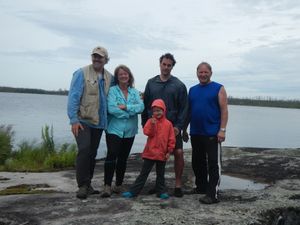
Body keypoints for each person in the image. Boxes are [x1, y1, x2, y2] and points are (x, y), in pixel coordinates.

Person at [67, 46, 114, 199]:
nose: (96, 59)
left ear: (106, 60)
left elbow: (113, 97)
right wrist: (73, 119)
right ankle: (81, 186)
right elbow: (73, 97)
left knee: (92, 153)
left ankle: (88, 184)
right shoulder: (81, 73)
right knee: (85, 149)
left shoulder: (109, 77)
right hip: (82, 121)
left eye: (100, 57)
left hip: (99, 123)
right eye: (94, 56)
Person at [141, 53, 188, 197]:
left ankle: (178, 185)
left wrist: (179, 127)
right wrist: (145, 124)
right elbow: (146, 105)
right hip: (155, 127)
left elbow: (184, 108)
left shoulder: (179, 85)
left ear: (172, 66)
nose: (166, 67)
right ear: (160, 64)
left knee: (178, 152)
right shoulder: (151, 83)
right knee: (155, 155)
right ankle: (159, 185)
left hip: (172, 127)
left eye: (169, 65)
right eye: (164, 64)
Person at [183, 62, 228, 204]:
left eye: (205, 72)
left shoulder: (218, 88)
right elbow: (190, 111)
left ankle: (212, 194)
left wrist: (222, 130)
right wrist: (184, 129)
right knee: (197, 162)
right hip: (196, 132)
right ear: (197, 73)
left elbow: (224, 110)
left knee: (214, 164)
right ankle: (201, 187)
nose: (203, 75)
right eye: (200, 72)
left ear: (210, 73)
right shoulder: (193, 90)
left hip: (212, 133)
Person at [101, 65, 144, 197]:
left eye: (126, 74)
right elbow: (111, 109)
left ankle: (118, 185)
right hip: (114, 129)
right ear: (117, 77)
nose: (123, 76)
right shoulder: (113, 91)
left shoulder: (135, 92)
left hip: (130, 131)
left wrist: (126, 107)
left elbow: (141, 107)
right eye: (120, 74)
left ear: (129, 76)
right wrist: (129, 113)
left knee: (123, 158)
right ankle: (107, 185)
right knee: (112, 154)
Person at [122, 99, 175, 199]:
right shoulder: (150, 121)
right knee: (143, 174)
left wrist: (169, 151)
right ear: (152, 112)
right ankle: (133, 192)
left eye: (159, 110)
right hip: (150, 153)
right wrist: (152, 124)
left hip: (162, 154)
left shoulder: (168, 124)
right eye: (155, 111)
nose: (157, 113)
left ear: (164, 110)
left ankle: (161, 192)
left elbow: (171, 139)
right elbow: (147, 133)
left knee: (161, 175)